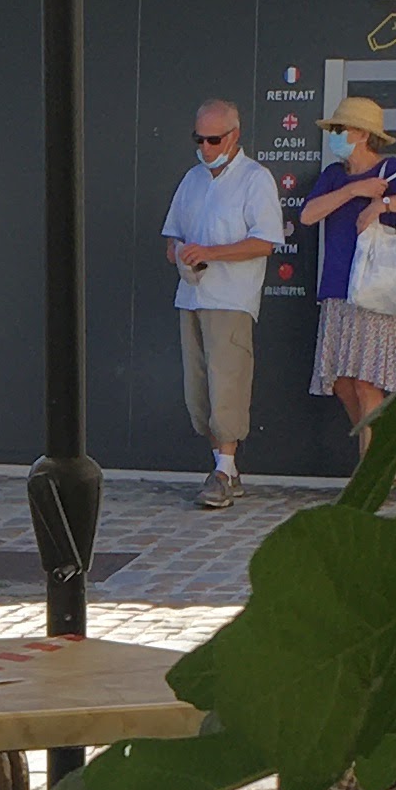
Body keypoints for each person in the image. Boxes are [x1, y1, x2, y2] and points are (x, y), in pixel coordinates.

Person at [298, 92, 396, 458]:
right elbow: (308, 215)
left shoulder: (389, 170)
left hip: (373, 291)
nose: (335, 136)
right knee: (342, 382)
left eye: (340, 129)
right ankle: (382, 453)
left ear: (362, 134)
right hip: (337, 290)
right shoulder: (334, 176)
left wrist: (383, 203)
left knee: (367, 383)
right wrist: (354, 191)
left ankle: (372, 466)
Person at [160, 97, 286, 509]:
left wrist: (211, 253)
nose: (206, 147)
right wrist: (182, 253)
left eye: (213, 139)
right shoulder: (192, 179)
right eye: (199, 139)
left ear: (234, 136)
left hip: (231, 297)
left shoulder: (255, 178)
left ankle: (224, 470)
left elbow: (265, 242)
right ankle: (224, 467)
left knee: (227, 381)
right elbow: (172, 237)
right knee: (198, 389)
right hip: (191, 294)